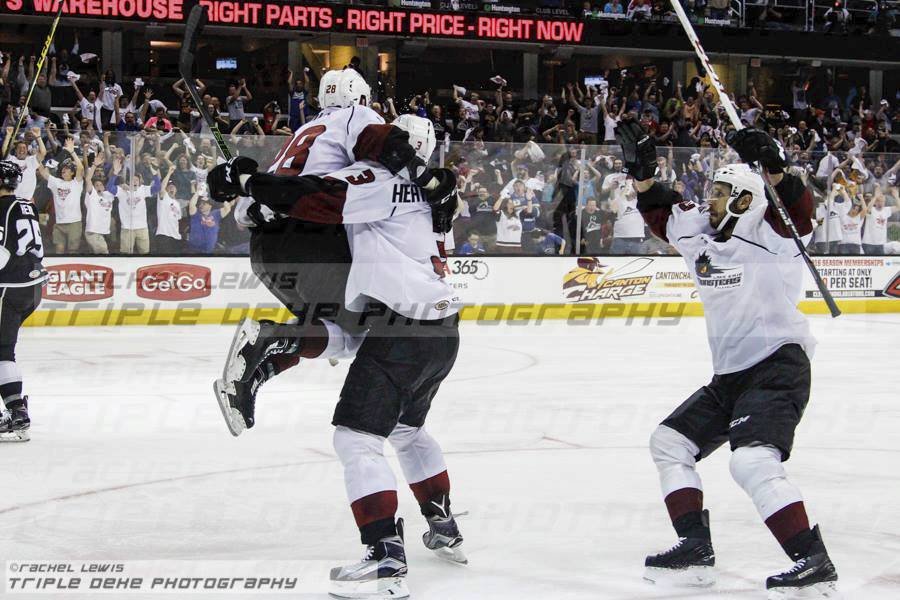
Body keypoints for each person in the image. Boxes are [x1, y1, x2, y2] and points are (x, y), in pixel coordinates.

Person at [209, 115, 465, 599]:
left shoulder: (378, 179)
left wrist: (246, 181)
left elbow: (310, 197)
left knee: (355, 439)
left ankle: (385, 558)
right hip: (443, 328)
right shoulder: (438, 193)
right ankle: (444, 525)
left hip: (402, 327)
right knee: (408, 431)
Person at [616, 121, 839, 597]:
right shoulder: (700, 232)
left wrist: (774, 164)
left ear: (744, 200)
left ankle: (812, 561)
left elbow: (797, 215)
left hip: (778, 364)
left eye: (719, 192)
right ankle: (694, 548)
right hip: (730, 376)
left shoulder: (770, 235)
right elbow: (660, 208)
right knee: (669, 443)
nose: (708, 198)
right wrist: (641, 171)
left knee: (752, 462)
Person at [213, 69, 440, 435]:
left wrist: (242, 183)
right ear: (362, 99)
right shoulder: (358, 118)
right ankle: (264, 340)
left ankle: (251, 376)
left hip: (265, 251)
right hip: (310, 241)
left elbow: (247, 212)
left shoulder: (304, 134)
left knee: (329, 332)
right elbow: (379, 148)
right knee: (357, 336)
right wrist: (425, 177)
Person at [0, 161, 47, 442]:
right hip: (33, 287)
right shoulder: (25, 204)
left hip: (9, 286)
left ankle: (17, 410)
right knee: (3, 349)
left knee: (3, 351)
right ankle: (16, 408)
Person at [37, 137, 84, 254]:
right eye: (63, 168)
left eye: (67, 169)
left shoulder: (76, 183)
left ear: (72, 172)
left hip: (74, 222)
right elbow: (43, 172)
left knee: (73, 251)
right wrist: (37, 159)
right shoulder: (56, 182)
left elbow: (81, 168)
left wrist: (72, 151)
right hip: (59, 223)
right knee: (59, 250)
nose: (64, 170)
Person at [861, 188, 894, 255]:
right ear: (875, 202)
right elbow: (867, 210)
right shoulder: (871, 209)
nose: (881, 203)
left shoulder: (886, 210)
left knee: (881, 264)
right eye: (879, 201)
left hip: (881, 244)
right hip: (868, 243)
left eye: (883, 201)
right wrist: (875, 197)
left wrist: (896, 196)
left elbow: (898, 207)